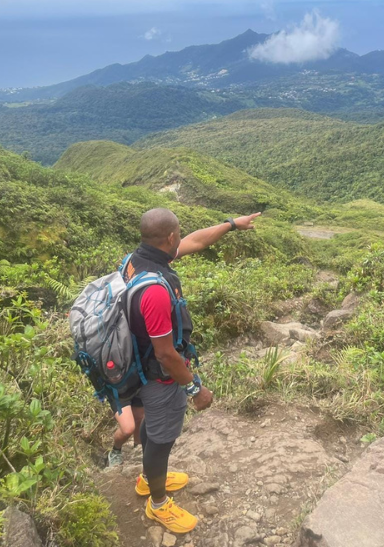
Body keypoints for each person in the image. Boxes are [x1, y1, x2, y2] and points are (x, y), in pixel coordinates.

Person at [121, 208, 261, 534]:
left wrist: (231, 225)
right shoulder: (155, 291)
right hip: (158, 375)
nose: (183, 237)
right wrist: (195, 388)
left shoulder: (137, 260)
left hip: (137, 367)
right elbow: (167, 354)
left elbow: (196, 241)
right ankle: (157, 504)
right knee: (160, 440)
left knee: (152, 431)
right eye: (179, 233)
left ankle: (146, 479)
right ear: (170, 238)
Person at [105, 396, 144, 468]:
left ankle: (138, 446)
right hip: (117, 392)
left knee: (139, 417)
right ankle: (115, 450)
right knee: (127, 429)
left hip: (137, 388)